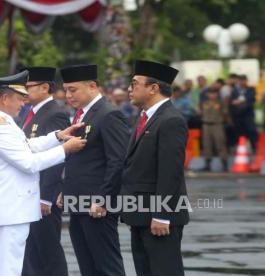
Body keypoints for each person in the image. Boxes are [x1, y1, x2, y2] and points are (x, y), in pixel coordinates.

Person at [0, 70, 86, 276]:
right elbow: (28, 162)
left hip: (5, 209)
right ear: (5, 98)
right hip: (8, 211)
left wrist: (58, 136)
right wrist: (65, 149)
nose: (22, 104)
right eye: (19, 98)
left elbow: (25, 145)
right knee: (8, 270)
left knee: (5, 267)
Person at [57, 64, 129, 276]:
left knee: (107, 266)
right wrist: (66, 189)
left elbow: (117, 161)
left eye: (73, 89)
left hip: (97, 204)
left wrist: (104, 199)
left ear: (92, 86)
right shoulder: (81, 115)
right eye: (66, 90)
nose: (68, 95)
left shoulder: (108, 114)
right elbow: (81, 161)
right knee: (87, 265)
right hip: (78, 202)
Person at [120, 60, 189, 276]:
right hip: (140, 213)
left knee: (164, 271)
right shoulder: (145, 117)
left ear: (153, 88)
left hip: (159, 216)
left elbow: (170, 172)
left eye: (135, 84)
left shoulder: (170, 120)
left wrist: (162, 215)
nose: (130, 90)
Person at [20, 67, 69, 276]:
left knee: (48, 251)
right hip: (30, 192)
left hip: (43, 195)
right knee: (33, 251)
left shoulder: (54, 114)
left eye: (28, 87)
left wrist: (47, 197)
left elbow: (57, 158)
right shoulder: (33, 112)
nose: (24, 92)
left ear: (45, 87)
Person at [200, 89, 229, 171]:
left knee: (220, 143)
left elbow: (225, 113)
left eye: (214, 93)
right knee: (206, 144)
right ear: (207, 94)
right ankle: (207, 164)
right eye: (210, 93)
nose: (212, 95)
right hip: (206, 125)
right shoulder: (203, 103)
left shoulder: (221, 103)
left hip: (217, 125)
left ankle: (224, 164)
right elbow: (199, 112)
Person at [229, 74, 258, 153]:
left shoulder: (251, 89)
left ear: (246, 81)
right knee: (240, 132)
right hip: (238, 115)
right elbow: (232, 102)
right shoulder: (234, 91)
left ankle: (254, 147)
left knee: (251, 130)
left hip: (248, 114)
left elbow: (251, 98)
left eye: (243, 80)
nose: (242, 82)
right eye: (240, 80)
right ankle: (241, 149)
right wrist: (242, 101)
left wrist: (239, 101)